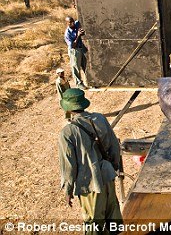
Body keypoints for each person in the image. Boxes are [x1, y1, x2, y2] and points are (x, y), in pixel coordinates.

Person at [58, 88, 123, 233]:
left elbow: (69, 166)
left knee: (94, 223)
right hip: (107, 175)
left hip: (90, 183)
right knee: (113, 217)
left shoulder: (67, 133)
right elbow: (114, 146)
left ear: (68, 109)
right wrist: (114, 167)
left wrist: (68, 191)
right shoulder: (100, 118)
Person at [64, 16, 87, 89]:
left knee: (84, 64)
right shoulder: (67, 34)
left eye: (73, 21)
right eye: (70, 22)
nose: (72, 23)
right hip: (74, 50)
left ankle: (89, 80)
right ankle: (78, 83)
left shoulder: (76, 24)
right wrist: (78, 35)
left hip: (81, 48)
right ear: (67, 23)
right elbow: (72, 46)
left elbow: (80, 16)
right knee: (76, 67)